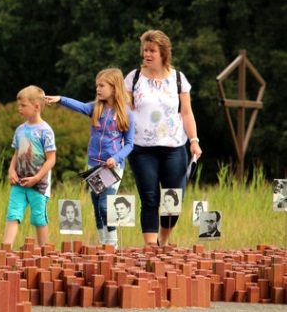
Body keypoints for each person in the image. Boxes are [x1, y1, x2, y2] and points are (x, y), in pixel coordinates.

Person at [125, 30, 202, 246]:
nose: (147, 55)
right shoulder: (133, 78)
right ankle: (150, 248)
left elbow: (187, 113)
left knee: (172, 199)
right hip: (142, 149)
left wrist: (194, 140)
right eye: (145, 50)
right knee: (149, 199)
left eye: (152, 51)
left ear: (163, 53)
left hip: (174, 148)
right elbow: (123, 112)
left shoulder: (178, 79)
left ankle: (163, 243)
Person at [46, 68, 134, 247]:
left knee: (105, 206)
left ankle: (113, 245)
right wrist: (60, 99)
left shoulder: (127, 114)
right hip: (93, 166)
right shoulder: (95, 108)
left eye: (102, 85)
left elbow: (130, 144)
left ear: (115, 88)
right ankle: (103, 243)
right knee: (96, 206)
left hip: (112, 168)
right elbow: (77, 105)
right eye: (97, 86)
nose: (98, 89)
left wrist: (116, 158)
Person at [2, 85, 56, 248]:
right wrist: (11, 171)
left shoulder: (45, 131)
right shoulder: (20, 130)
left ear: (37, 106)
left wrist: (37, 178)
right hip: (19, 183)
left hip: (38, 185)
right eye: (19, 105)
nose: (20, 109)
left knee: (39, 218)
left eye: (23, 105)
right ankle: (5, 250)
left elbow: (51, 159)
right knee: (13, 214)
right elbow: (16, 154)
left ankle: (43, 252)